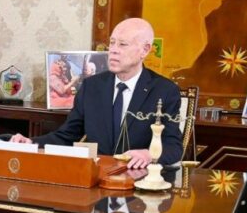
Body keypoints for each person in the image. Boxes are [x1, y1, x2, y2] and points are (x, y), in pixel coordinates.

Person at [13, 18, 182, 169]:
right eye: (112, 43)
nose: (113, 50)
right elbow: (67, 135)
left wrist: (148, 154)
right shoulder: (92, 86)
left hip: (138, 179)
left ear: (145, 50)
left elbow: (173, 147)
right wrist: (31, 142)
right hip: (97, 176)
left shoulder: (165, 91)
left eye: (122, 44)